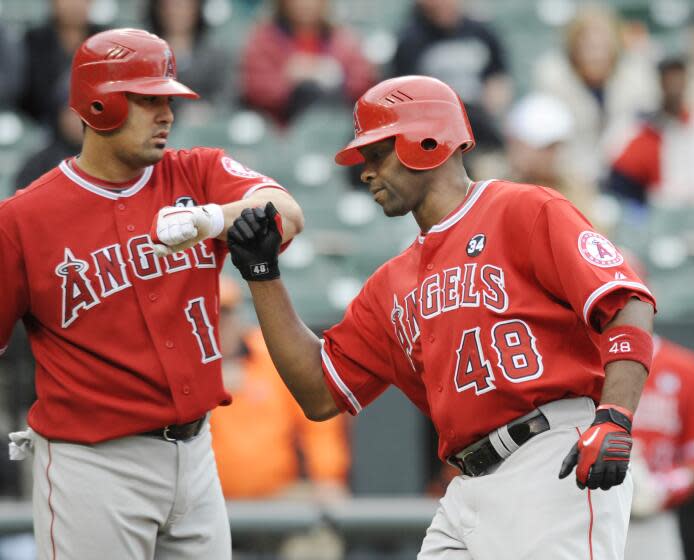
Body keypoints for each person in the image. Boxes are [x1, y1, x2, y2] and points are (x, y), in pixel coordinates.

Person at [226, 75, 656, 559]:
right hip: (468, 482)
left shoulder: (524, 209)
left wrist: (615, 417)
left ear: (425, 141)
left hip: (550, 457)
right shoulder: (390, 283)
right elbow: (319, 392)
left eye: (377, 154)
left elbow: (627, 302)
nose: (366, 173)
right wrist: (262, 274)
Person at [0, 28, 303, 560]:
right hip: (94, 466)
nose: (166, 114)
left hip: (198, 455)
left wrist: (209, 219)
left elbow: (286, 212)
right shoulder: (24, 220)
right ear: (100, 103)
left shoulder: (197, 173)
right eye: (147, 100)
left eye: (167, 100)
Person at [210, 275, 350, 500]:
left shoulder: (268, 354)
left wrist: (327, 477)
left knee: (322, 520)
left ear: (237, 317)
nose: (218, 324)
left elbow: (319, 423)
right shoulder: (186, 365)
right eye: (210, 316)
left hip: (277, 494)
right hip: (207, 500)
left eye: (224, 315)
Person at [533, 4, 659, 187]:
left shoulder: (635, 77)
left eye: (602, 45)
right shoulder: (554, 80)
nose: (596, 54)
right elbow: (552, 142)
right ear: (574, 48)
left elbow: (646, 130)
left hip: (627, 175)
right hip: (572, 177)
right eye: (588, 46)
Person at [393, 0, 512, 153]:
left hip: (478, 120)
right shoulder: (410, 40)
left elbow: (498, 79)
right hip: (435, 129)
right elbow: (405, 97)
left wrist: (492, 107)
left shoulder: (481, 33)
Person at [240, 0, 376, 126]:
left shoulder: (344, 39)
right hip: (280, 129)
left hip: (337, 125)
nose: (305, 3)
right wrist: (290, 79)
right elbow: (256, 88)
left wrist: (333, 73)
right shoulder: (264, 39)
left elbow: (364, 84)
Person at [607, 55, 694, 208]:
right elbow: (622, 175)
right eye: (669, 78)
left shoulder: (689, 124)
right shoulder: (642, 128)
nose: (675, 84)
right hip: (658, 210)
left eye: (679, 77)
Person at [19, 0, 106, 129]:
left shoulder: (105, 39)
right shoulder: (34, 39)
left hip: (95, 121)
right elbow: (27, 91)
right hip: (43, 123)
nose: (75, 4)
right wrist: (60, 114)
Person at [146, 0, 232, 122]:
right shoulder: (145, 54)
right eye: (171, 6)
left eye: (185, 6)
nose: (178, 12)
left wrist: (207, 111)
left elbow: (226, 98)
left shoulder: (216, 55)